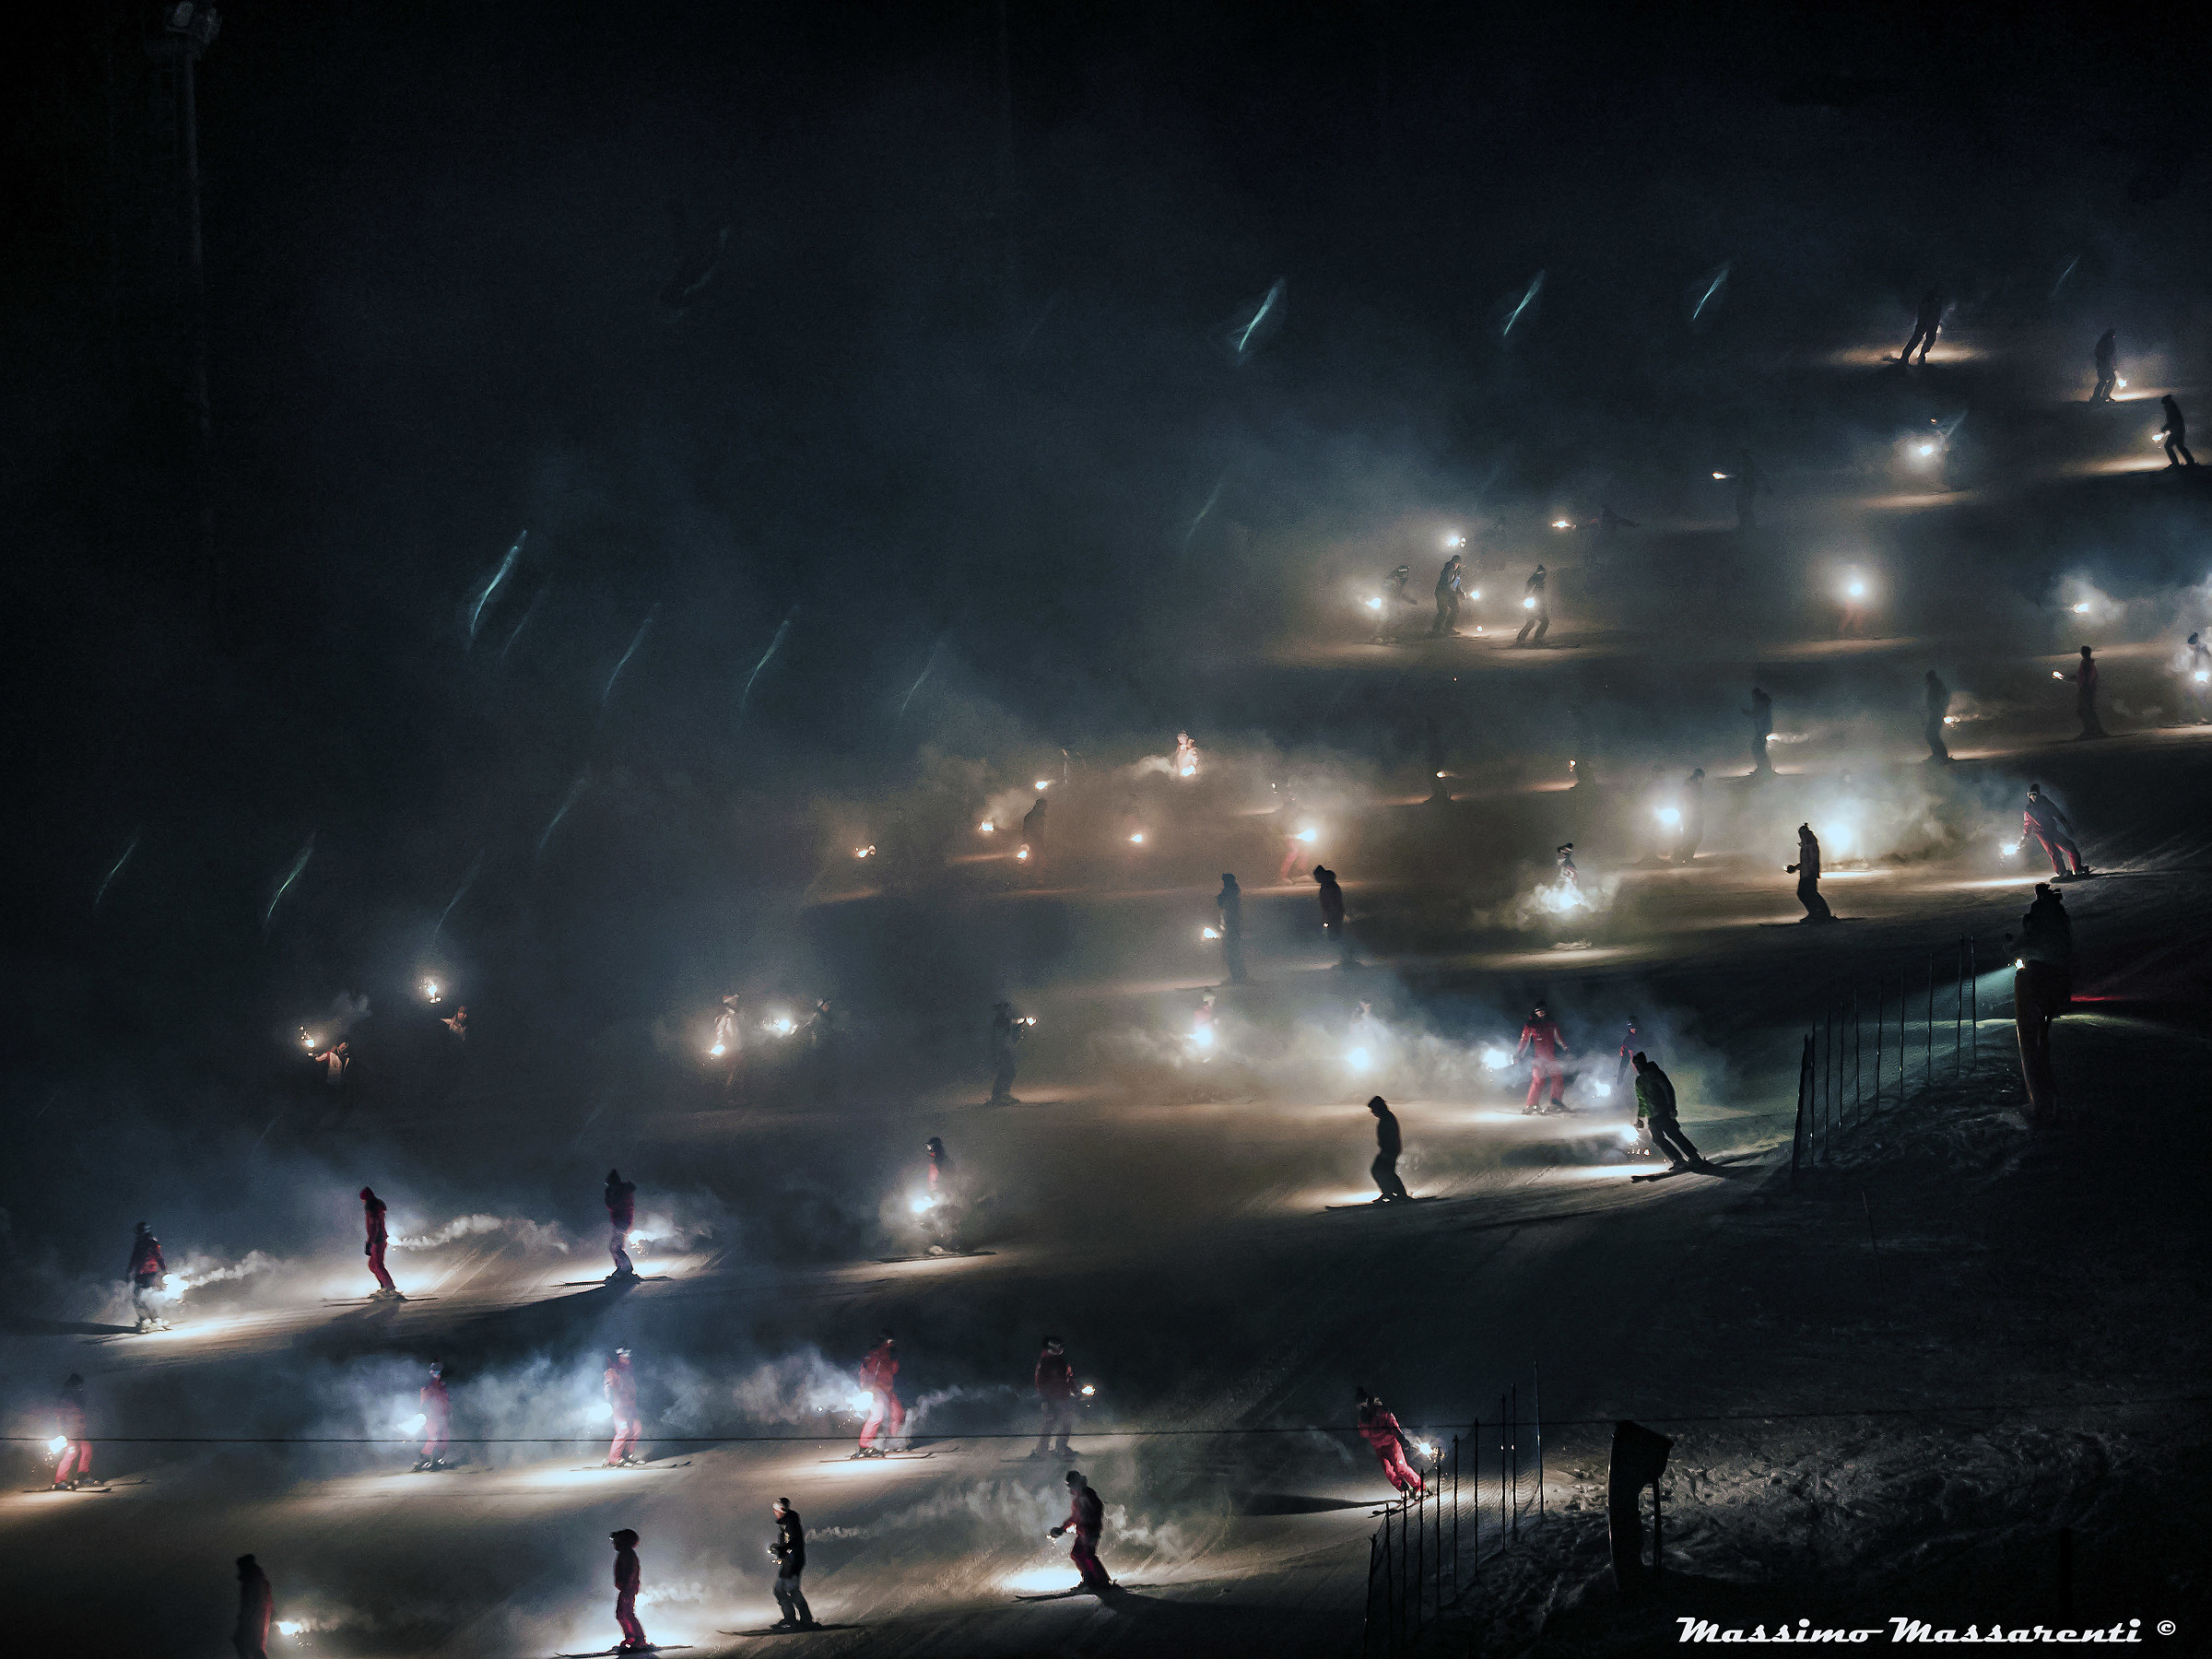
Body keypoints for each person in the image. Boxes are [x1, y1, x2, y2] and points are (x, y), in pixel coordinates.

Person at [2013, 884, 2075, 1124]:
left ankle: (2041, 1098)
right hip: (2060, 977)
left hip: (2044, 980)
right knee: (2042, 1036)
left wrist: (2012, 947)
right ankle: (2048, 1095)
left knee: (2036, 1038)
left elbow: (2029, 941)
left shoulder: (2041, 917)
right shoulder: (2058, 915)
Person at [1631, 1052, 1704, 1169]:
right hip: (1652, 1115)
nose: (1638, 1067)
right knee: (1657, 1139)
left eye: (1639, 1064)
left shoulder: (1655, 1073)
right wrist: (1640, 1118)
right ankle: (1678, 1160)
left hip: (1663, 1110)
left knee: (1673, 1133)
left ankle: (1693, 1156)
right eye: (1636, 1065)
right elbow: (1642, 1101)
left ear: (1644, 1062)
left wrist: (1672, 1107)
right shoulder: (1639, 1081)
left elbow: (1668, 1089)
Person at [1354, 1389, 1427, 1499]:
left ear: (1367, 1401)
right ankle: (1404, 1489)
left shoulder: (1381, 1411)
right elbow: (1362, 1433)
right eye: (1359, 1405)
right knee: (1388, 1471)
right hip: (1379, 1447)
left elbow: (1393, 1426)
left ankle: (1419, 1486)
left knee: (1401, 1467)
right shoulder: (1363, 1417)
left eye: (1362, 1404)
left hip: (1391, 1443)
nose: (1361, 1407)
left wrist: (1402, 1440)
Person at [1050, 1469, 1113, 1593]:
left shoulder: (1087, 1494)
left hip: (1090, 1530)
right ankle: (1089, 1580)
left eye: (1070, 1484)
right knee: (1077, 1553)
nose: (1069, 1488)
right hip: (1084, 1531)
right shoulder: (1079, 1497)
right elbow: (1075, 1517)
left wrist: (1090, 1523)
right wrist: (1062, 1529)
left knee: (1088, 1554)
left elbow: (1097, 1509)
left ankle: (1102, 1581)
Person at [853, 1331, 904, 1457]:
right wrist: (866, 1387)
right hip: (876, 1389)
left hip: (888, 1389)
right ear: (884, 1340)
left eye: (893, 1342)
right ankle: (865, 1446)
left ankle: (895, 1442)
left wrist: (895, 1360)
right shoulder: (875, 1352)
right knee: (877, 1415)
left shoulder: (890, 1352)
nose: (891, 1344)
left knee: (898, 1413)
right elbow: (865, 1369)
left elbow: (893, 1370)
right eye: (889, 1341)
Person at [769, 1499, 817, 1630]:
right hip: (788, 1562)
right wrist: (779, 1550)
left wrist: (782, 1549)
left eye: (776, 1510)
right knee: (779, 1590)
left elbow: (795, 1541)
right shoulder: (786, 1523)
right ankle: (790, 1618)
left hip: (794, 1562)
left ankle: (805, 1620)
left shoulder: (791, 1522)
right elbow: (788, 1542)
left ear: (779, 1510)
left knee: (791, 1590)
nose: (775, 1513)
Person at [2022, 784, 2089, 877]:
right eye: (2030, 795)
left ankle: (2077, 868)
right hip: (2043, 834)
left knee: (2070, 847)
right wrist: (2026, 836)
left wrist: (2066, 826)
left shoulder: (2045, 803)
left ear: (2038, 794)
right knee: (2055, 853)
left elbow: (2057, 813)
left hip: (2052, 830)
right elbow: (2028, 823)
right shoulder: (2029, 809)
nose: (2033, 797)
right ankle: (2062, 872)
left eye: (2034, 794)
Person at [1514, 1005, 1571, 1114]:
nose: (1541, 1013)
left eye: (1543, 1011)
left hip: (1550, 1057)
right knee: (1538, 1080)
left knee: (1557, 1078)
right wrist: (1519, 1054)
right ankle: (1531, 1104)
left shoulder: (1551, 1023)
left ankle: (1555, 1102)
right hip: (1539, 1058)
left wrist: (1565, 1047)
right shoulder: (1531, 1025)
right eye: (1538, 1011)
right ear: (1535, 1012)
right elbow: (1524, 1040)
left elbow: (1558, 1037)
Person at [1033, 1336, 1078, 1458]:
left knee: (1066, 1423)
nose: (1059, 1350)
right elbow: (1040, 1383)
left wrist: (1075, 1390)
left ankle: (1061, 1447)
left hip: (1063, 1398)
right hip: (1050, 1398)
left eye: (1060, 1348)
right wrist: (1046, 1399)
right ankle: (1041, 1451)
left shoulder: (1062, 1361)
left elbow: (1068, 1377)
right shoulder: (1045, 1362)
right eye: (1057, 1348)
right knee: (1049, 1424)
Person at [922, 1136, 964, 1252]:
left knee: (944, 1218)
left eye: (930, 1146)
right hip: (936, 1193)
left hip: (944, 1193)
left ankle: (952, 1243)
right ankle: (935, 1243)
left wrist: (945, 1188)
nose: (928, 1149)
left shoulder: (943, 1161)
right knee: (931, 1217)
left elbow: (950, 1177)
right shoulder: (934, 1161)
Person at [609, 1528, 648, 1652]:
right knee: (621, 1614)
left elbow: (632, 1571)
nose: (614, 1543)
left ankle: (639, 1639)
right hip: (625, 1588)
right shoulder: (624, 1553)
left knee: (628, 1613)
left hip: (628, 1589)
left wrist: (627, 1586)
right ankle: (631, 1637)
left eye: (616, 1541)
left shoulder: (628, 1554)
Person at [1368, 1095, 1411, 1203]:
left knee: (1380, 1170)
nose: (1372, 1112)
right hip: (1389, 1149)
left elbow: (1391, 1136)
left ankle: (1396, 1194)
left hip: (1390, 1150)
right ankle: (1395, 1194)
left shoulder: (1387, 1118)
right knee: (1385, 1171)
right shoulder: (1386, 1117)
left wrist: (1387, 1151)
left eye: (1373, 1109)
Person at [359, 1186, 401, 1299]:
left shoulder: (372, 1211)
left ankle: (389, 1288)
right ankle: (385, 1286)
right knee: (373, 1265)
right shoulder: (376, 1208)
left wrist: (369, 1242)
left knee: (377, 1265)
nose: (362, 1202)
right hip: (378, 1240)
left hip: (377, 1241)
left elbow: (374, 1228)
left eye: (363, 1200)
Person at [1786, 824, 1833, 923]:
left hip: (1809, 874)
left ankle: (1818, 914)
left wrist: (1811, 871)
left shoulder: (1810, 845)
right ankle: (1819, 913)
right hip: (1806, 873)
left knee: (1806, 894)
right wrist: (1796, 867)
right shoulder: (1807, 844)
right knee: (1809, 894)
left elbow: (1812, 860)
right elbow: (1806, 862)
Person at [52, 1373, 91, 1490]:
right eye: (78, 1386)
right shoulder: (65, 1399)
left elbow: (80, 1415)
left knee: (87, 1448)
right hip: (68, 1432)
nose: (81, 1388)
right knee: (72, 1451)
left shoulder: (78, 1398)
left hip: (78, 1431)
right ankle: (59, 1481)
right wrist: (62, 1432)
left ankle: (83, 1476)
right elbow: (60, 1417)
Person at [126, 1220, 167, 1332]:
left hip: (147, 1273)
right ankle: (152, 1319)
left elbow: (158, 1257)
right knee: (143, 1296)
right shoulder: (147, 1242)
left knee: (141, 1296)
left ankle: (148, 1319)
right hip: (145, 1273)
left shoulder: (147, 1243)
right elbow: (135, 1258)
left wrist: (164, 1270)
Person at [604, 1348, 641, 1466]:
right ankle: (614, 1458)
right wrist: (609, 1401)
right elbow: (608, 1388)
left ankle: (627, 1454)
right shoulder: (613, 1371)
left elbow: (632, 1389)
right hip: (619, 1407)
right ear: (619, 1357)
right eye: (625, 1356)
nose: (628, 1358)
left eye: (629, 1356)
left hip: (630, 1407)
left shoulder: (628, 1371)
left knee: (636, 1429)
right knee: (623, 1430)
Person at [233, 1554, 274, 1659]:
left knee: (251, 1646)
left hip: (254, 1620)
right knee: (254, 1647)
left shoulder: (253, 1581)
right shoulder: (259, 1580)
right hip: (257, 1619)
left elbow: (253, 1602)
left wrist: (245, 1619)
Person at [414, 1360, 450, 1471]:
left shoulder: (441, 1384)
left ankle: (439, 1459)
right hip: (430, 1416)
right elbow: (424, 1400)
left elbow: (445, 1400)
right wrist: (422, 1413)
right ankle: (424, 1460)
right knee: (433, 1437)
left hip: (441, 1414)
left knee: (444, 1436)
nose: (436, 1374)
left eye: (438, 1371)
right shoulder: (428, 1384)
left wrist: (447, 1412)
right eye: (434, 1371)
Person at [1313, 865, 1352, 965]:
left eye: (1316, 876)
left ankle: (1347, 957)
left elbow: (1331, 902)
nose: (1315, 879)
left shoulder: (1328, 886)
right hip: (1334, 914)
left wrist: (1328, 917)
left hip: (1334, 914)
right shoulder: (1328, 884)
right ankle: (1346, 957)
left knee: (1335, 936)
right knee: (1335, 936)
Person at [604, 1169, 638, 1280]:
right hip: (621, 1222)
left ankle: (626, 1269)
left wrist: (610, 1195)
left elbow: (613, 1205)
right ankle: (622, 1268)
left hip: (622, 1222)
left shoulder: (621, 1192)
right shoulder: (621, 1191)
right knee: (616, 1247)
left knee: (616, 1247)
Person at [987, 1003, 1023, 1104]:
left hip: (1005, 1049)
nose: (1009, 1012)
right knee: (1007, 1071)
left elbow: (1009, 1030)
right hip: (1003, 1050)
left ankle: (1002, 1094)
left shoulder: (1003, 1021)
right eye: (1007, 1010)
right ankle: (998, 1095)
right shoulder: (1002, 1021)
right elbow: (1000, 1036)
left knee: (1009, 1071)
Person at [1216, 873, 1247, 984]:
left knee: (1231, 953)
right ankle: (1238, 976)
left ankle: (1237, 977)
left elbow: (1226, 908)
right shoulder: (1232, 893)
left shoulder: (1229, 894)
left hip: (1231, 928)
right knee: (1232, 953)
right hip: (1231, 927)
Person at [1899, 288, 1943, 365]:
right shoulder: (1930, 301)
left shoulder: (1936, 302)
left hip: (1930, 323)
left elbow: (1936, 313)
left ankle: (1920, 355)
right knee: (1918, 338)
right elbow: (1924, 312)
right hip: (1925, 323)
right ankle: (1906, 357)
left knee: (1927, 339)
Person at [1375, 564, 1416, 641]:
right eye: (1405, 572)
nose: (1405, 575)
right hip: (1391, 600)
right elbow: (1390, 590)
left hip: (1392, 600)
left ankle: (1386, 634)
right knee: (1392, 617)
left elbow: (1398, 592)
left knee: (1393, 617)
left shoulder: (1396, 578)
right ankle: (1385, 635)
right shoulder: (1395, 579)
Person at [1514, 564, 1550, 647]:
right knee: (1533, 622)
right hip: (1533, 604)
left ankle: (1527, 639)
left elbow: (1539, 593)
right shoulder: (1534, 580)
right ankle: (1529, 639)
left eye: (1542, 573)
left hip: (1538, 604)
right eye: (1540, 573)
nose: (1541, 574)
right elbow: (1528, 591)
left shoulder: (1540, 581)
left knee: (1540, 621)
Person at [2076, 646, 2107, 738]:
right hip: (2088, 689)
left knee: (2085, 710)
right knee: (2087, 710)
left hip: (2086, 689)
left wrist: (2085, 688)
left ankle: (2092, 730)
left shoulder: (2086, 664)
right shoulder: (2089, 663)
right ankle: (2094, 730)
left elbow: (2087, 677)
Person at [1677, 769, 1706, 862]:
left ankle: (1686, 856)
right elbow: (1687, 800)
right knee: (1691, 837)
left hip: (1694, 814)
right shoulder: (1690, 785)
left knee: (1694, 837)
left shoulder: (1694, 785)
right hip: (1690, 814)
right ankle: (1683, 856)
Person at [1731, 450, 1764, 530]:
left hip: (1748, 488)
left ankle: (1749, 525)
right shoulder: (1747, 463)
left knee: (1744, 506)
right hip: (1747, 488)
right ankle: (1746, 524)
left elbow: (1749, 475)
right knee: (1744, 506)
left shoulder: (1748, 463)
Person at [2159, 394, 2195, 468]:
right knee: (2180, 446)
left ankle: (2176, 464)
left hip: (2177, 431)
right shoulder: (2173, 408)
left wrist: (2164, 428)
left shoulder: (2171, 410)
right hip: (2179, 430)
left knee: (2168, 446)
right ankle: (2190, 462)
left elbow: (2172, 422)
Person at [1924, 670, 1952, 762]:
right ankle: (1939, 755)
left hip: (1937, 713)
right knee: (1931, 734)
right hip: (1936, 713)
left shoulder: (1936, 686)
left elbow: (1940, 699)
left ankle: (1941, 755)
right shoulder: (1936, 685)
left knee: (1931, 734)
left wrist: (1939, 709)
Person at [1431, 554, 1464, 636]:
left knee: (1456, 609)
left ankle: (1448, 628)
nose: (1455, 565)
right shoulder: (1447, 571)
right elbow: (1446, 583)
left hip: (1450, 593)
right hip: (1442, 592)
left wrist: (1461, 592)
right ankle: (1436, 630)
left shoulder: (1457, 572)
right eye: (1454, 563)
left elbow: (1457, 583)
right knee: (1443, 611)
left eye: (1456, 563)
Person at [1746, 688, 1774, 775]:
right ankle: (1764, 768)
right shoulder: (1762, 703)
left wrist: (1749, 714)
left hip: (1763, 729)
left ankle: (1764, 769)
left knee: (1757, 748)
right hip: (1764, 728)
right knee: (1758, 748)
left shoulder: (1761, 703)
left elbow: (1758, 716)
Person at [2187, 632, 2211, 724]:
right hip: (2202, 676)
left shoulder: (2201, 651)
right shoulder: (2199, 650)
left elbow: (2205, 663)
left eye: (2191, 645)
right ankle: (2203, 717)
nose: (2190, 647)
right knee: (2201, 697)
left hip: (2204, 677)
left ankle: (2204, 717)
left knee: (2202, 697)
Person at [2091, 329, 2117, 403]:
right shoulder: (2105, 342)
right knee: (2107, 380)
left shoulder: (2105, 341)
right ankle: (2099, 396)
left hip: (2104, 363)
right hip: (2103, 364)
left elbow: (2111, 355)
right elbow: (2100, 353)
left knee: (2107, 380)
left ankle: (2101, 396)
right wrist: (2106, 361)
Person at [1020, 793, 1048, 859]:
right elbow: (1027, 831)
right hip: (1032, 842)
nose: (1045, 808)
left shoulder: (1038, 816)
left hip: (1036, 841)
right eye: (1044, 806)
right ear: (1040, 806)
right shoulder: (1032, 816)